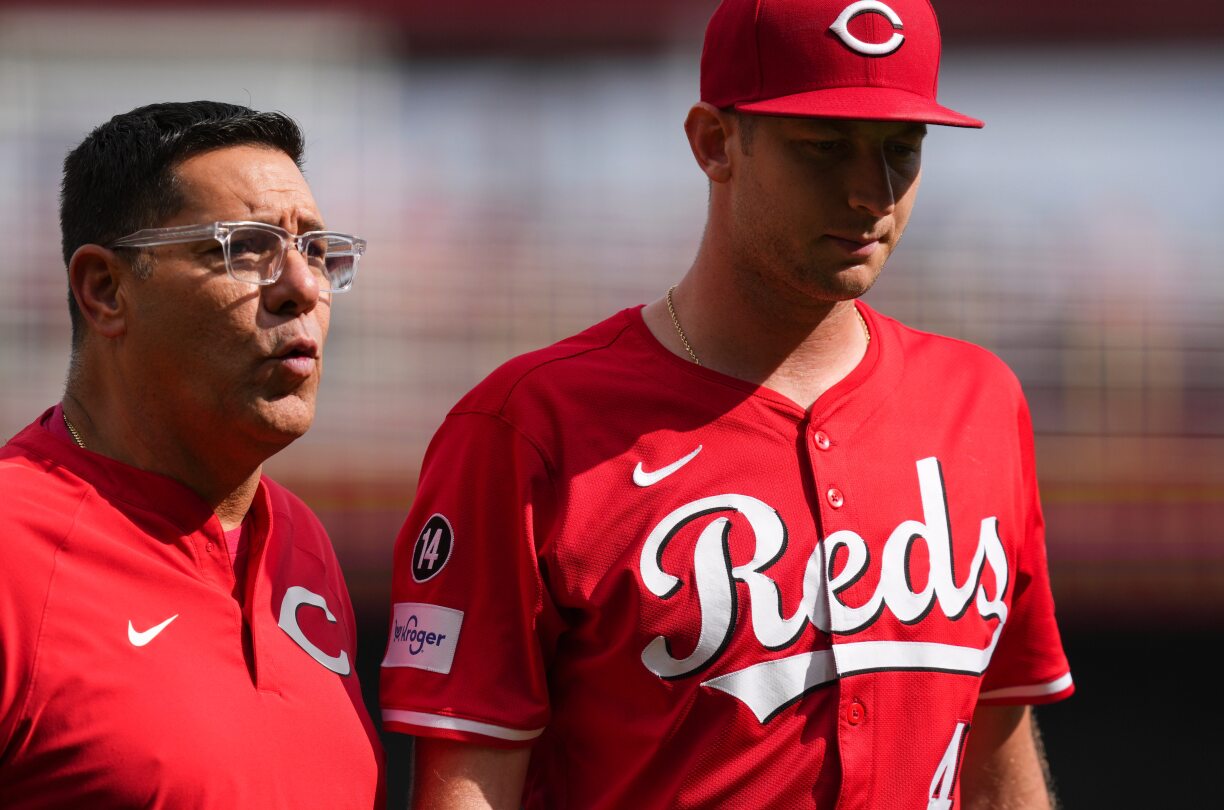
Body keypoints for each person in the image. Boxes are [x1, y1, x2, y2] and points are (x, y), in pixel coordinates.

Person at [382, 0, 1073, 806]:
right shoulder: (529, 426)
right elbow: (471, 785)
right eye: (824, 148)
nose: (870, 193)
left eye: (901, 149)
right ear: (715, 143)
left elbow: (995, 735)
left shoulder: (980, 401)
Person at [0, 101, 384, 807]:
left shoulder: (302, 545)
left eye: (316, 253)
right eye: (243, 248)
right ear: (105, 290)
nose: (301, 288)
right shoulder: (12, 551)